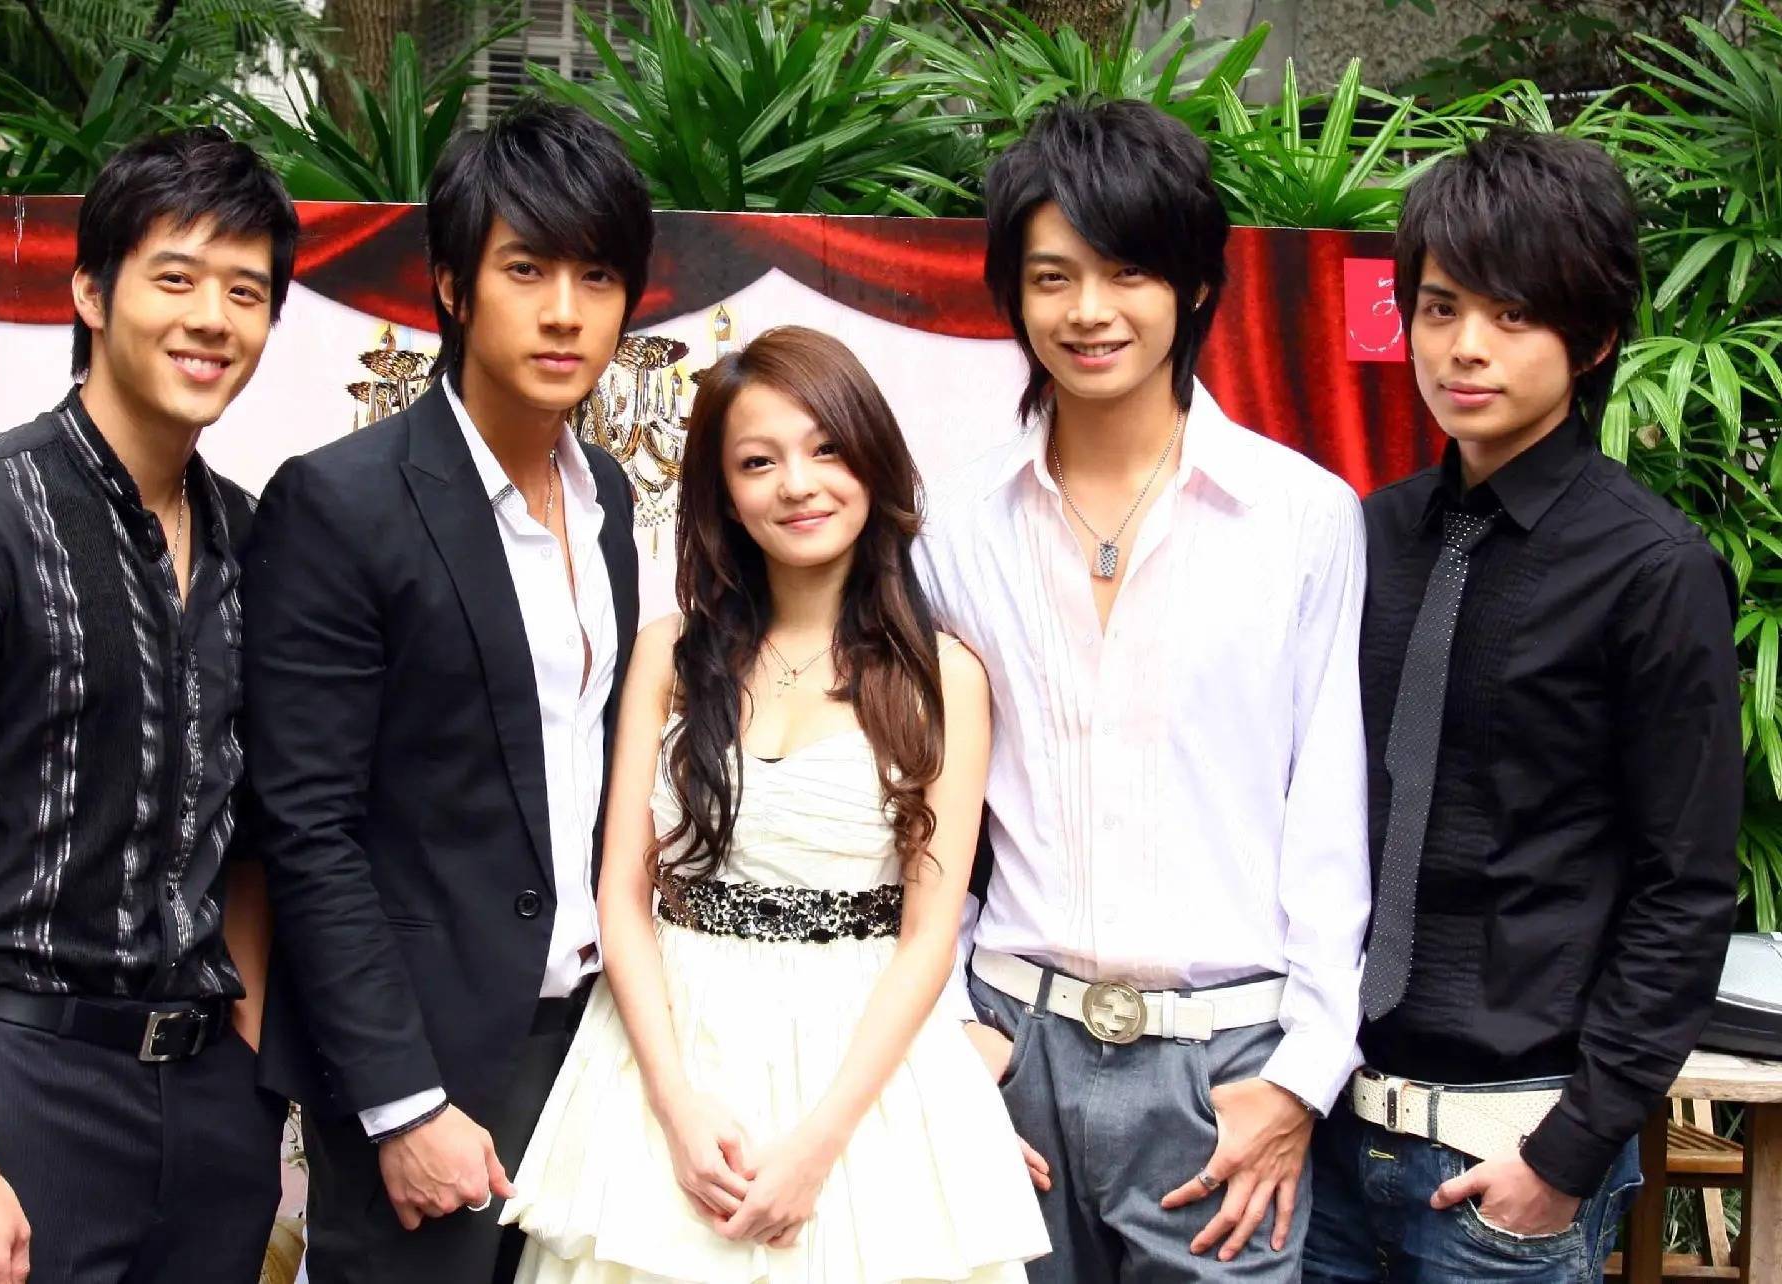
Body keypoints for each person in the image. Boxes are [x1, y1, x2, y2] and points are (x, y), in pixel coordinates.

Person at [916, 99, 1373, 1280]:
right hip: (1008, 1046)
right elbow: (921, 809)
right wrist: (944, 1030)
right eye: (1051, 277)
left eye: (1126, 271)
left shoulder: (1300, 517)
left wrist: (1299, 1076)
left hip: (1226, 1066)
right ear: (1012, 296)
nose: (1088, 311)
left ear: (1193, 286)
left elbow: (1328, 816)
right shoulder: (953, 527)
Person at [498, 324, 1050, 1282]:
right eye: (759, 461)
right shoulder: (670, 653)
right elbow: (621, 896)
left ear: (872, 462)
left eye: (827, 449)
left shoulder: (943, 676)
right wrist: (677, 1106)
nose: (798, 484)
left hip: (862, 1070)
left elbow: (929, 934)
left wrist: (817, 1148)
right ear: (723, 493)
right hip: (669, 1048)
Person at [0, 127, 298, 1284]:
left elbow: (252, 834)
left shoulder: (255, 539)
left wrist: (244, 1069)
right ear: (92, 291)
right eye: (175, 278)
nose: (212, 319)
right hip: (25, 1081)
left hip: (209, 1095)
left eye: (245, 292)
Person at [1300, 127, 1743, 1284]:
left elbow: (1685, 885)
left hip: (1508, 1151)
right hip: (1326, 1129)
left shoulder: (1651, 569)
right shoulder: (1368, 534)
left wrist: (1566, 1153)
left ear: (1590, 338)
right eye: (1438, 308)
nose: (1464, 347)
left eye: (1511, 314)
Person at [241, 99, 653, 1284]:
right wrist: (401, 1101)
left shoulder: (607, 501)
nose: (564, 311)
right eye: (526, 269)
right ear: (453, 287)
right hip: (427, 1068)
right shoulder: (342, 502)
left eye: (596, 276)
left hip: (593, 1046)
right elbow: (306, 825)